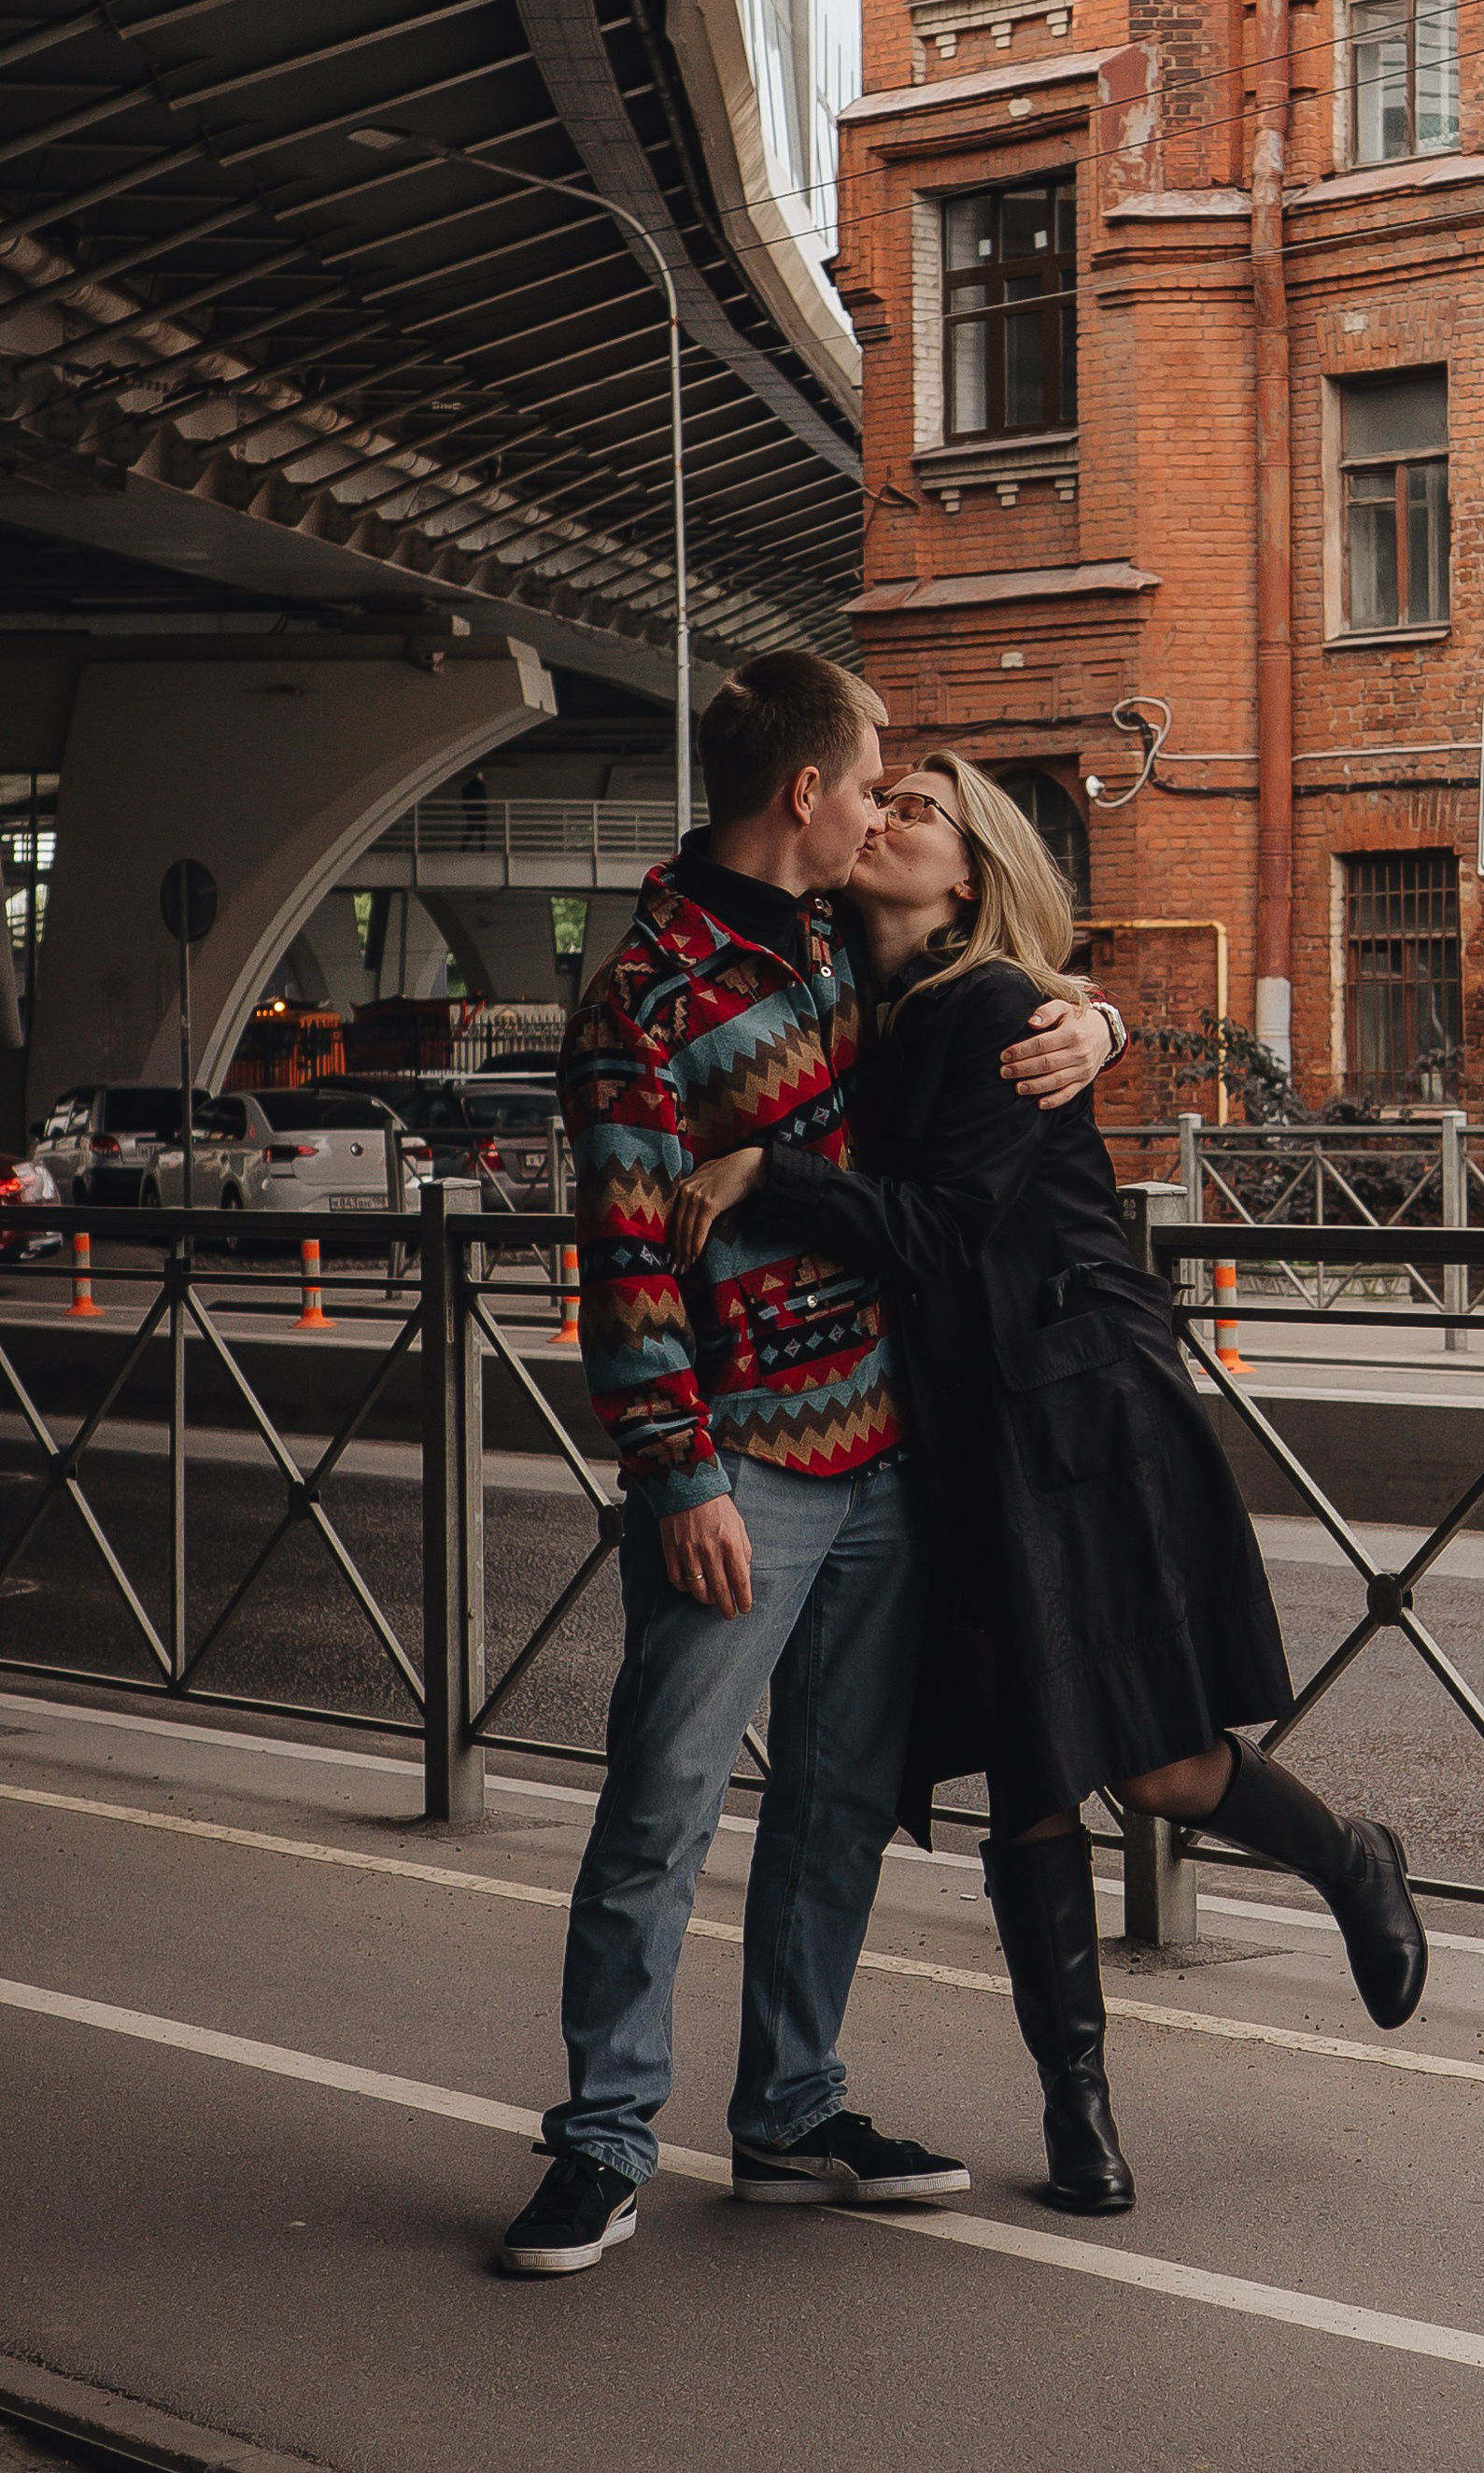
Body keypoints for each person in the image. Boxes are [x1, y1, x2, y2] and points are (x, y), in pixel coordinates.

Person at [665, 750, 1426, 2219]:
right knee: (1027, 1769)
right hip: (954, 1425)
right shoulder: (855, 999)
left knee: (1142, 1758)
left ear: (973, 874)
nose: (884, 815)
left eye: (922, 810)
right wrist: (1111, 1013)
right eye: (879, 797)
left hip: (1077, 1413)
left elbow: (946, 1230)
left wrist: (772, 1173)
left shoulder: (1002, 1010)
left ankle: (1348, 1857)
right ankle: (1078, 2117)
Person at [498, 657, 1122, 2278]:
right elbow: (626, 1259)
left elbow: (1005, 983)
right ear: (805, 796)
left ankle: (789, 2111)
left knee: (842, 1803)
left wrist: (1101, 1021)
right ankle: (602, 2142)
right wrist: (676, 1470)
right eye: (872, 781)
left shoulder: (852, 945)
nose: (885, 805)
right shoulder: (645, 989)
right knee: (662, 1803)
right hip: (742, 1471)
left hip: (890, 1453)